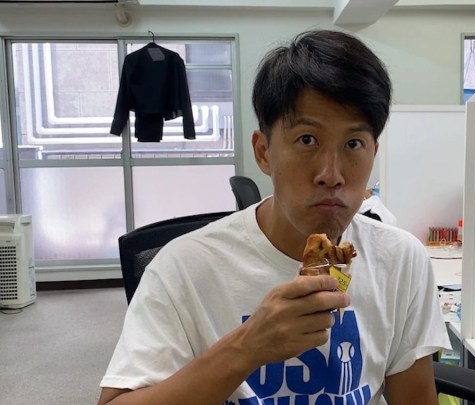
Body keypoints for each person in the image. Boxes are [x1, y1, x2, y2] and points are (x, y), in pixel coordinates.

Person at [98, 29, 449, 405]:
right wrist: (246, 348)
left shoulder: (401, 260)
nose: (331, 174)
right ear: (264, 152)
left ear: (373, 153)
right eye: (307, 140)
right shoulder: (183, 268)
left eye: (353, 144)